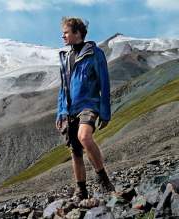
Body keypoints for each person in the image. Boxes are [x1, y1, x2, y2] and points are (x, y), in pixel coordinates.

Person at [56, 17, 115, 202]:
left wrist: (105, 112)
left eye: (66, 32)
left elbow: (104, 84)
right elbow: (62, 88)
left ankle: (103, 178)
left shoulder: (95, 53)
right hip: (69, 109)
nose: (62, 36)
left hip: (89, 105)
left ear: (77, 33)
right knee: (75, 151)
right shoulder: (65, 58)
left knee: (84, 137)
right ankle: (82, 190)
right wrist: (60, 112)